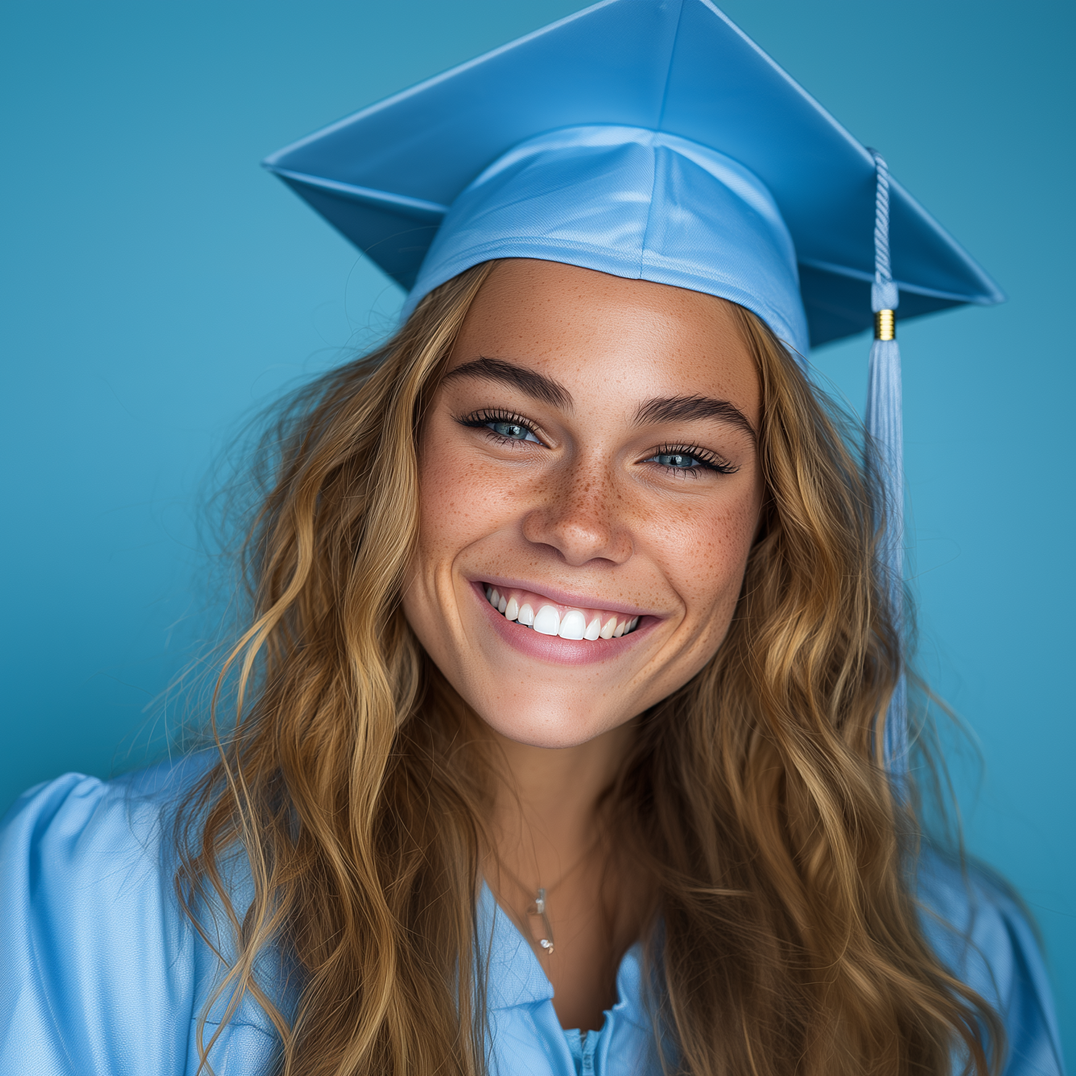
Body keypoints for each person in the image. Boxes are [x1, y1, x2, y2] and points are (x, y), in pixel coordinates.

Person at [0, 2, 1064, 1074]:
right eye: (509, 426)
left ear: (772, 522)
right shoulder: (121, 905)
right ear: (395, 454)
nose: (579, 524)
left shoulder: (937, 960)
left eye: (682, 455)